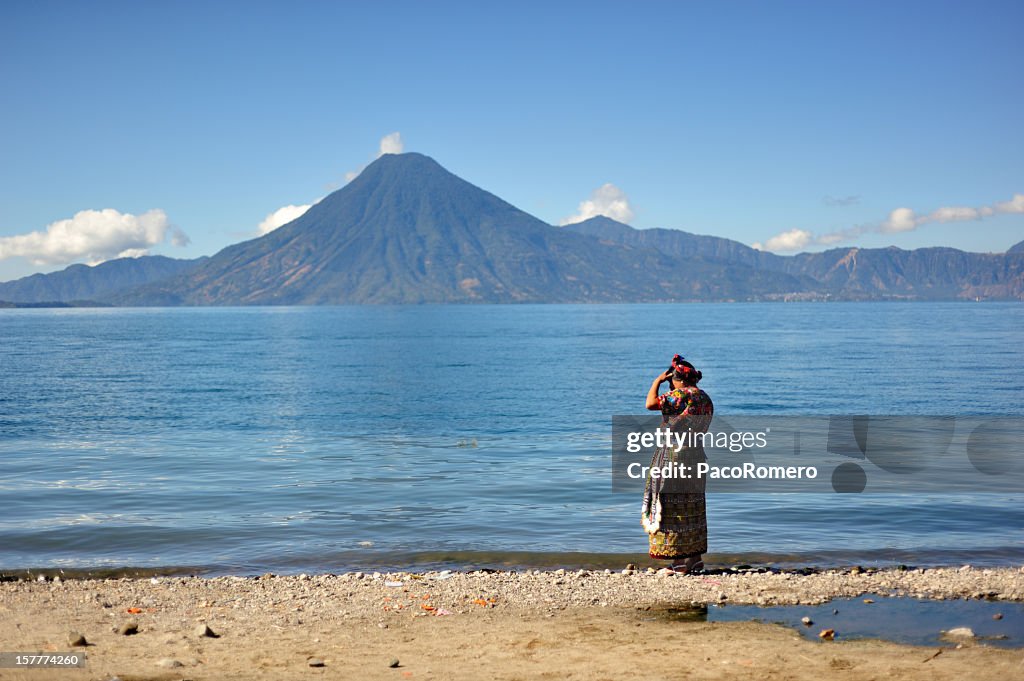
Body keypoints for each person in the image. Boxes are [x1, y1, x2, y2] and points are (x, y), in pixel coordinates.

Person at [641, 354, 714, 574]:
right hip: (696, 456)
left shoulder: (678, 395)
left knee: (670, 504)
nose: (670, 381)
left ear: (678, 378)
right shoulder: (705, 398)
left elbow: (650, 404)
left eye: (672, 378)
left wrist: (657, 381)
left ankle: (679, 562)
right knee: (692, 505)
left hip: (672, 456)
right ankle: (695, 559)